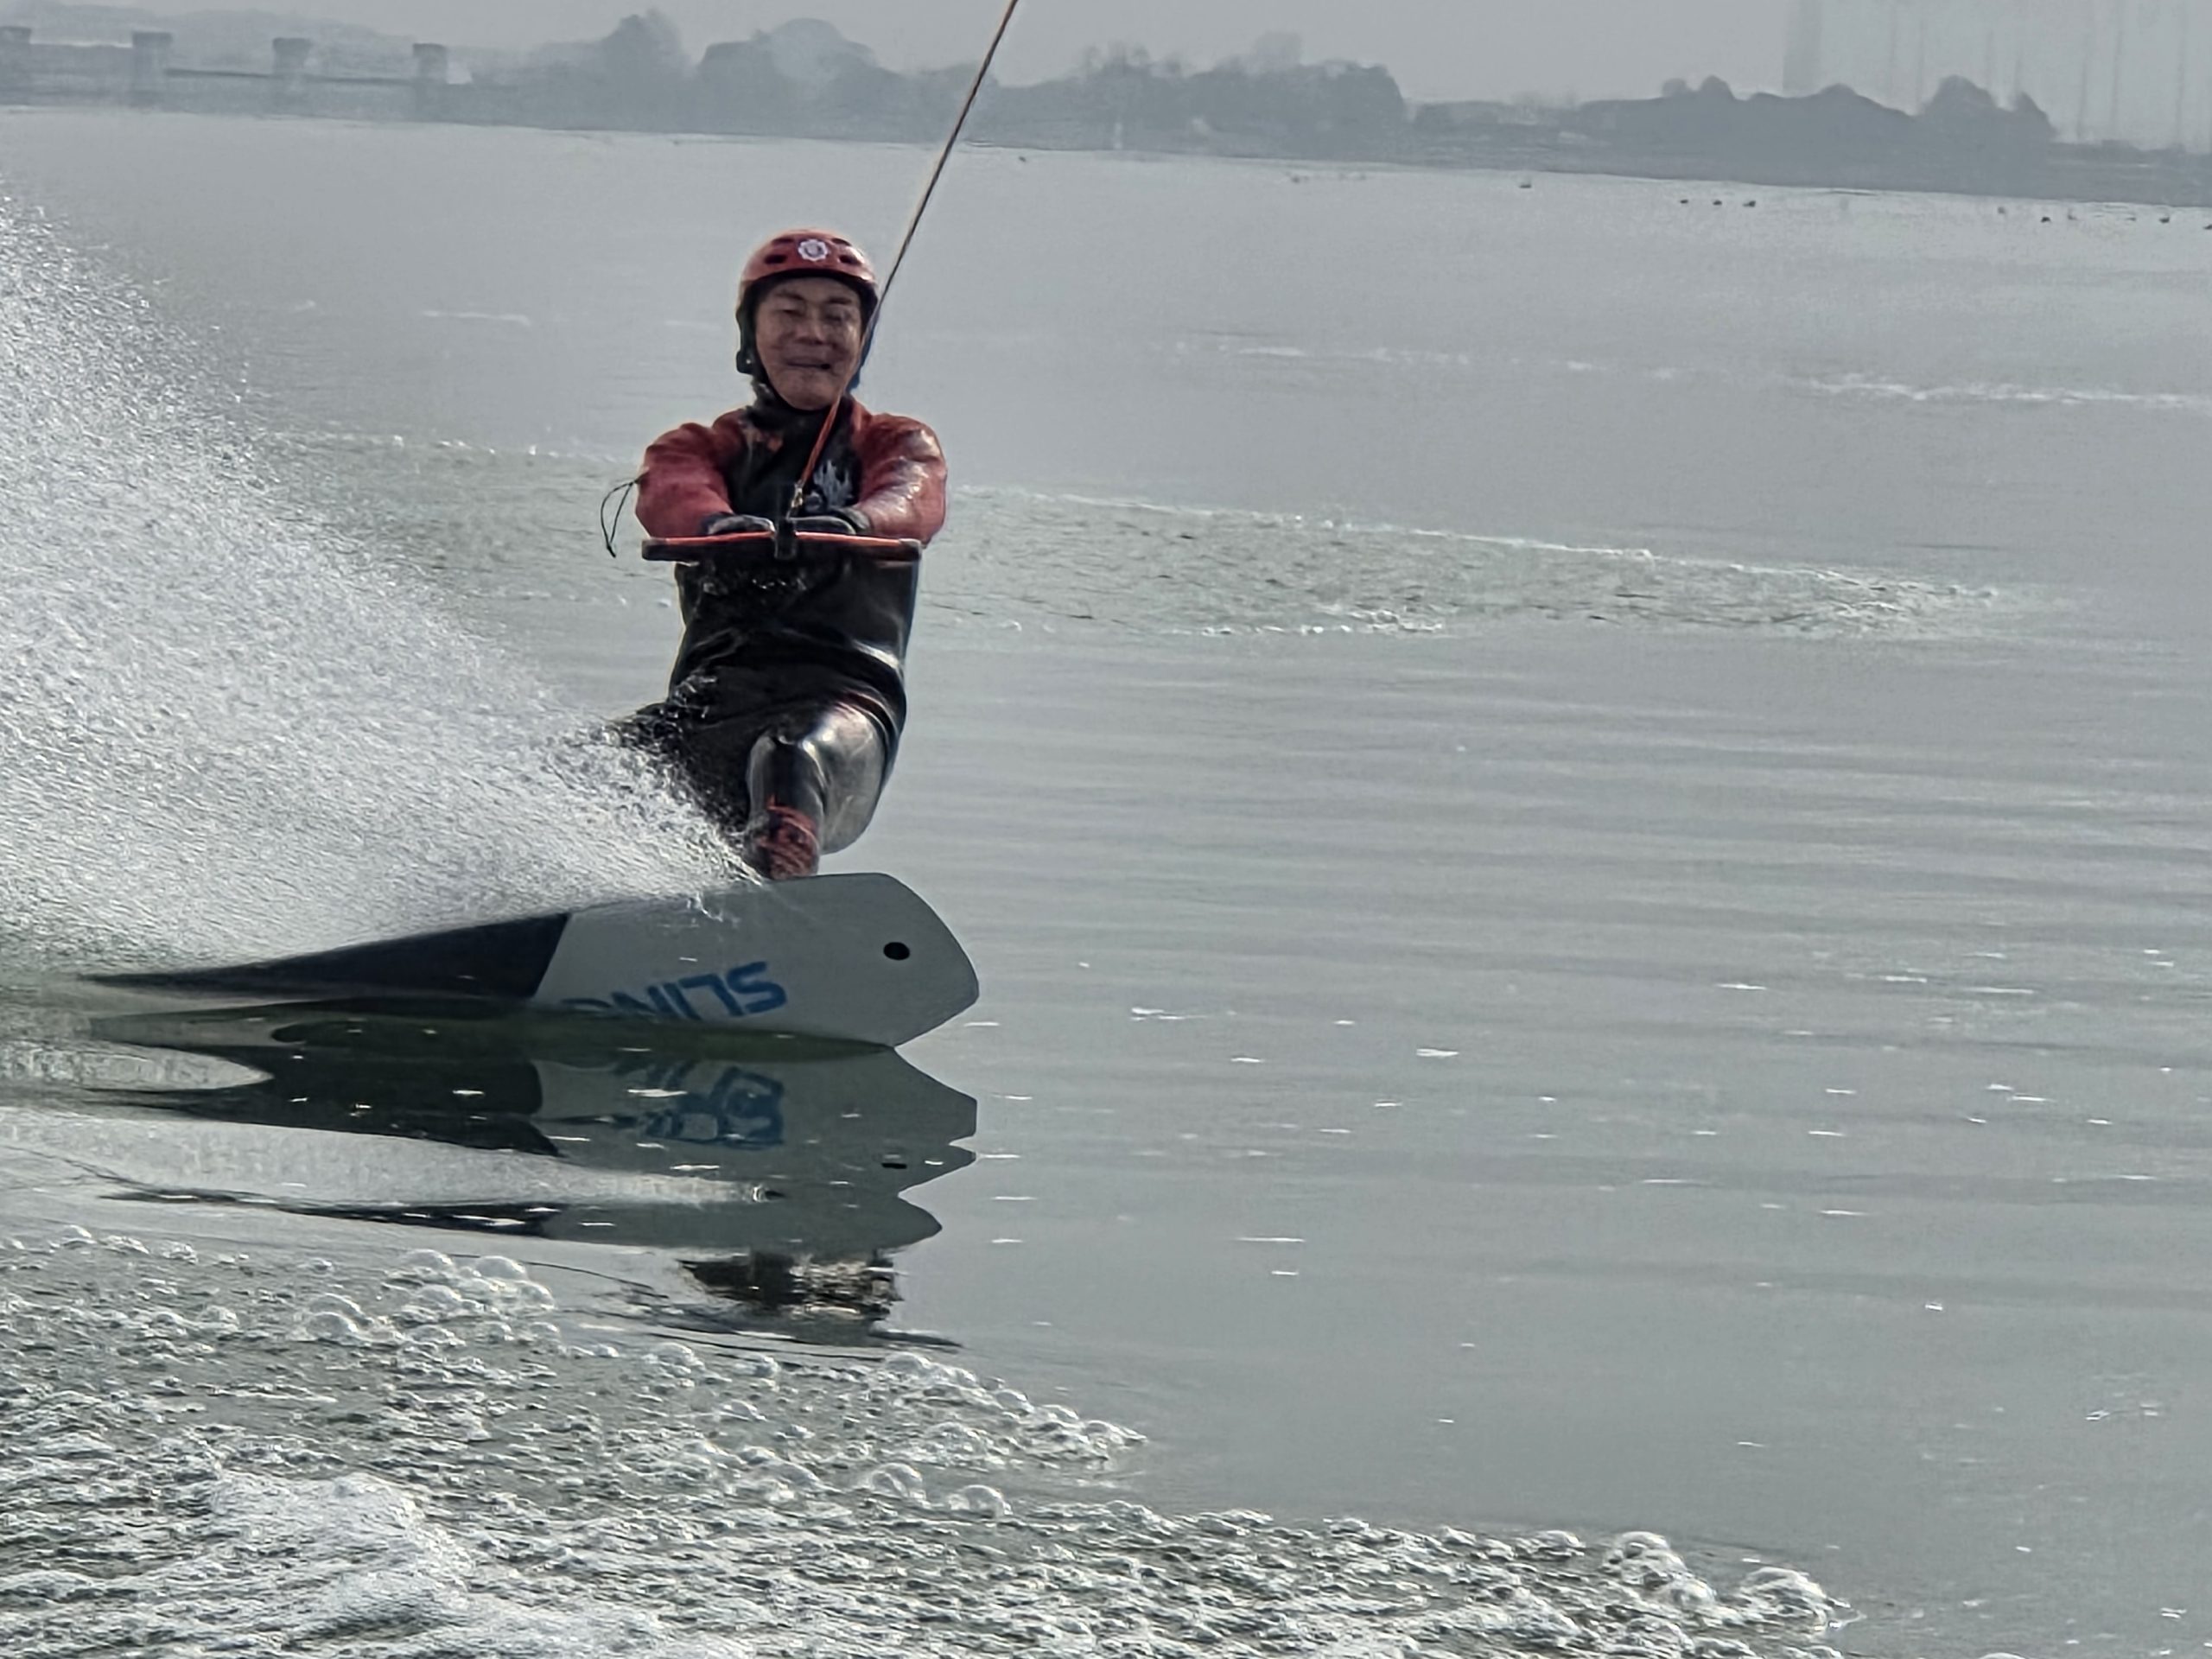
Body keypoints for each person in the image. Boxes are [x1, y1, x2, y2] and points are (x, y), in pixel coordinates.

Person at [625, 229, 948, 880]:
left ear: (862, 339)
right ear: (752, 334)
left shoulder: (895, 443)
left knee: (788, 757)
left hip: (844, 714)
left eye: (837, 316)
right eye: (790, 313)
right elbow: (671, 491)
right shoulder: (700, 447)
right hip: (712, 706)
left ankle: (777, 905)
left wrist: (855, 522)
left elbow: (914, 497)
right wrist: (718, 526)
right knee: (583, 767)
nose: (813, 334)